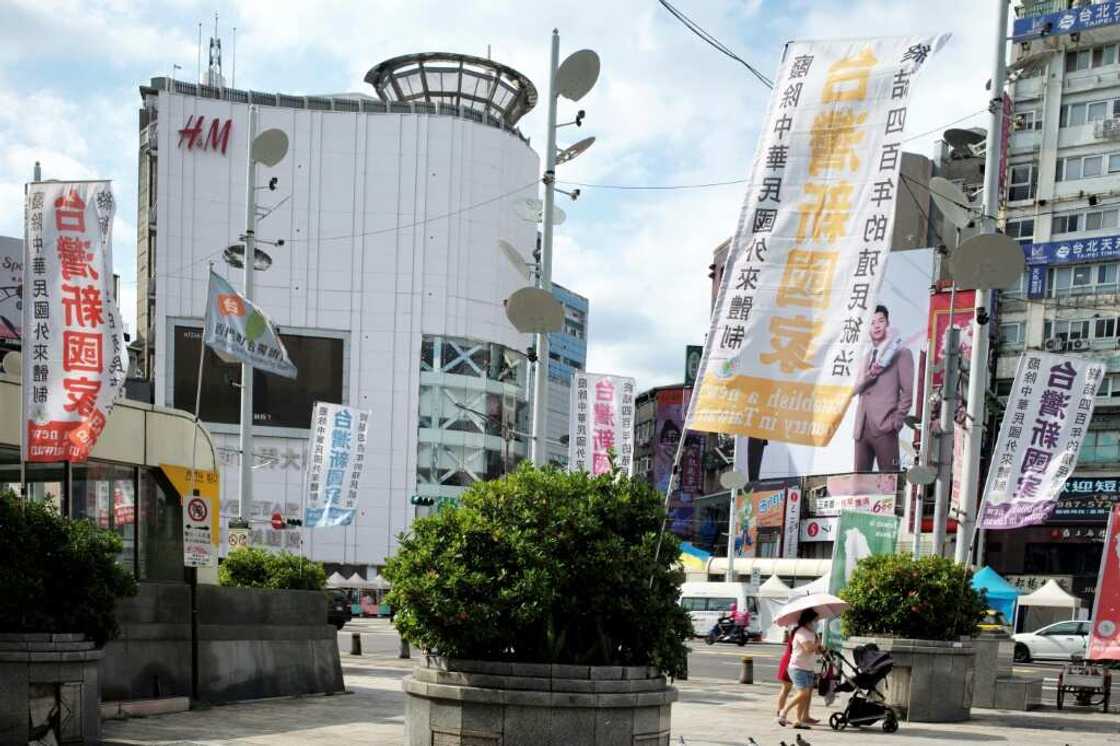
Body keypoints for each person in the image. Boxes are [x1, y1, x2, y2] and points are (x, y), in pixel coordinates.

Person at [853, 305, 914, 473]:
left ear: (888, 324)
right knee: (859, 484)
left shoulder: (901, 353)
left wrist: (896, 422)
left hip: (885, 426)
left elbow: (907, 393)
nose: (877, 326)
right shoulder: (865, 355)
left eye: (881, 321)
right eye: (872, 323)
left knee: (889, 483)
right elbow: (856, 387)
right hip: (861, 428)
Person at [779, 609, 823, 730]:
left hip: (808, 668)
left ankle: (798, 720)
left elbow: (816, 650)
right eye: (815, 620)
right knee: (803, 693)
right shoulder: (801, 632)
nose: (817, 623)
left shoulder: (812, 633)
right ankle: (783, 712)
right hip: (798, 668)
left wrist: (821, 648)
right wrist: (817, 645)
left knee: (806, 695)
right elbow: (808, 648)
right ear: (808, 621)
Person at [775, 628, 793, 717]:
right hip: (789, 663)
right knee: (786, 688)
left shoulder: (795, 632)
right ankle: (780, 711)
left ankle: (780, 711)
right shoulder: (798, 633)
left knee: (786, 688)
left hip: (789, 662)